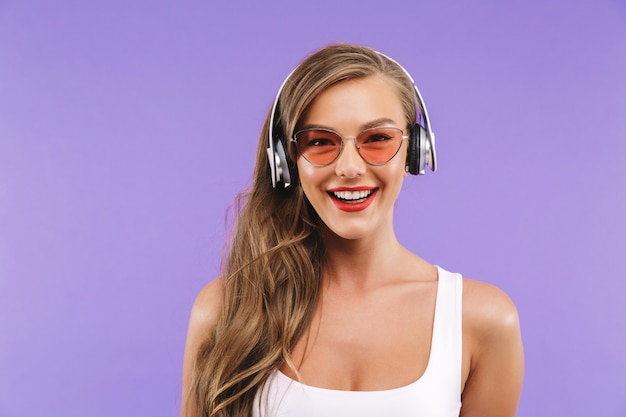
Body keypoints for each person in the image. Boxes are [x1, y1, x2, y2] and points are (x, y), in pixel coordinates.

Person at [180, 43, 524, 417]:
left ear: (415, 151)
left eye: (377, 139)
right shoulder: (225, 311)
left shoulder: (482, 320)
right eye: (320, 142)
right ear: (286, 161)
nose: (349, 167)